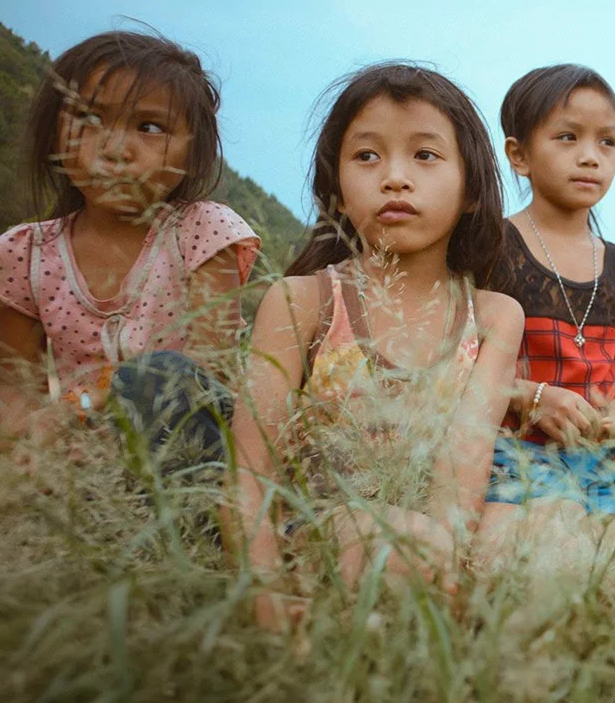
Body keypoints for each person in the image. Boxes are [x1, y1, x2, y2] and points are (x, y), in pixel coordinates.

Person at [223, 63, 523, 626]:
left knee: (537, 547)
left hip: (439, 528)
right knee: (405, 544)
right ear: (335, 190)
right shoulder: (303, 301)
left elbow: (464, 467)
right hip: (319, 524)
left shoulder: (494, 317)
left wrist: (451, 557)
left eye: (425, 156)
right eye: (367, 156)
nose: (395, 178)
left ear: (471, 192)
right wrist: (259, 589)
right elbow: (250, 471)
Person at [0, 30, 259, 475]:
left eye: (150, 127)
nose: (115, 149)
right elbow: (16, 391)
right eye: (90, 119)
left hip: (191, 460)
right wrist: (22, 461)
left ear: (192, 154)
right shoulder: (25, 254)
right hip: (81, 465)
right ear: (55, 133)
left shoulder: (204, 233)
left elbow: (205, 370)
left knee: (166, 374)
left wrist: (82, 405)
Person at [477, 64, 615, 567]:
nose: (590, 157)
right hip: (519, 454)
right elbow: (456, 367)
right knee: (548, 559)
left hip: (610, 460)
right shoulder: (492, 247)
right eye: (567, 137)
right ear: (519, 155)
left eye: (608, 142)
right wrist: (530, 397)